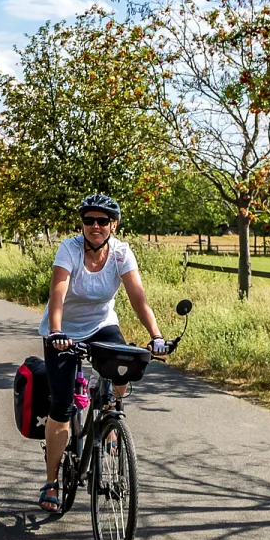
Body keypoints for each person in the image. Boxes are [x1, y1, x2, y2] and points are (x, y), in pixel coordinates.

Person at [37, 194, 167, 513]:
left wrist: (157, 336)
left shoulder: (121, 252)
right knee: (62, 408)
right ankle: (52, 481)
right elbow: (58, 293)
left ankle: (109, 408)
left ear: (113, 224)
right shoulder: (69, 248)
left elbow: (138, 297)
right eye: (89, 220)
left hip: (101, 324)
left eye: (103, 221)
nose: (95, 226)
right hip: (63, 331)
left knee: (128, 362)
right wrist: (56, 331)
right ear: (81, 224)